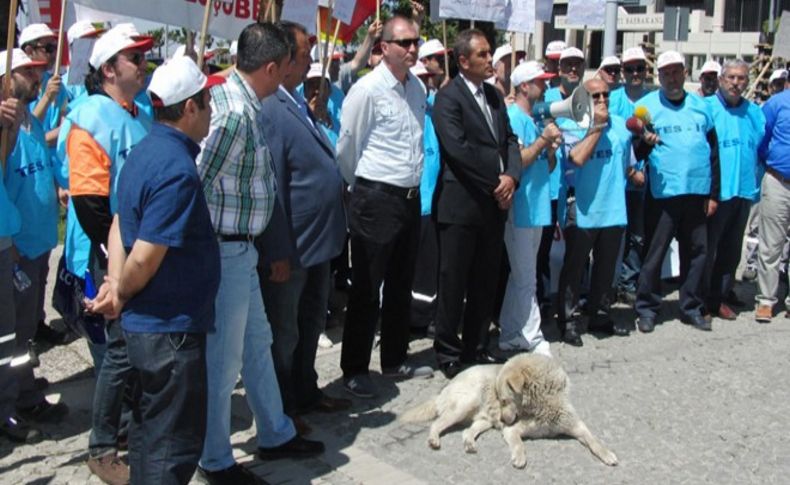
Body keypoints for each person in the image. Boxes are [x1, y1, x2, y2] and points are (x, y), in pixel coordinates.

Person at [196, 23, 323, 485]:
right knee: (224, 362)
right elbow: (198, 181)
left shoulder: (239, 103)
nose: (288, 75)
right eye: (286, 67)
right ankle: (215, 459)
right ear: (271, 68)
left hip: (241, 251)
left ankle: (274, 431)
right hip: (225, 250)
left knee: (256, 346)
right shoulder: (232, 115)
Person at [87, 56, 224, 485]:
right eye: (206, 101)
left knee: (150, 434)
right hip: (169, 329)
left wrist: (114, 283)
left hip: (153, 327)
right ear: (188, 108)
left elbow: (117, 225)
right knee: (173, 446)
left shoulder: (144, 150)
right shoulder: (176, 168)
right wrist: (122, 291)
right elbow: (145, 255)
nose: (211, 111)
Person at [61, 27, 154, 484]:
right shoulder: (89, 119)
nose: (142, 63)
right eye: (133, 57)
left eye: (142, 56)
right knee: (118, 351)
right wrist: (120, 259)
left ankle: (133, 431)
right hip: (113, 251)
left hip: (143, 247)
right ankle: (101, 447)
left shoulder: (140, 113)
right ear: (108, 69)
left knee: (136, 345)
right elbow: (89, 204)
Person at [257, 21, 350, 432]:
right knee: (285, 332)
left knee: (310, 322)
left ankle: (306, 389)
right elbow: (273, 181)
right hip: (291, 246)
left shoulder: (292, 100)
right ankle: (282, 407)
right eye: (304, 54)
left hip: (316, 244)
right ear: (285, 60)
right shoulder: (271, 107)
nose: (311, 60)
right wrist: (276, 249)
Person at [337, 15, 431, 398]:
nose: (412, 49)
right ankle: (355, 368)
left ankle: (393, 358)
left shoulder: (418, 88)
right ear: (384, 47)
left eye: (415, 42)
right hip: (376, 196)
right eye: (404, 43)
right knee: (366, 286)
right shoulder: (368, 89)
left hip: (409, 197)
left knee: (400, 284)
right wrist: (360, 187)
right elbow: (348, 147)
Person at [432, 29, 521, 378]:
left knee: (485, 278)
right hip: (462, 204)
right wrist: (494, 183)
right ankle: (447, 351)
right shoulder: (448, 98)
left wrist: (512, 176)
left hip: (493, 205)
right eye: (482, 54)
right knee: (454, 280)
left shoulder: (494, 96)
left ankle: (476, 344)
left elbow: (510, 140)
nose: (490, 60)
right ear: (463, 60)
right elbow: (459, 151)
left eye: (489, 53)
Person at [3, 48, 69, 423]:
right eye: (27, 70)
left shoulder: (31, 120)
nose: (37, 76)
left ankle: (22, 384)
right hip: (17, 247)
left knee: (25, 328)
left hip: (39, 243)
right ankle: (19, 399)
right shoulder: (7, 129)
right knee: (16, 332)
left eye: (37, 70)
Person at [633, 51, 720, 333]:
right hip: (663, 194)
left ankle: (691, 307)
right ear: (658, 76)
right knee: (654, 255)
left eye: (676, 71)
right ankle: (647, 308)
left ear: (685, 72)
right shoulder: (645, 107)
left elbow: (714, 152)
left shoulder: (702, 106)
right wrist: (645, 142)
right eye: (665, 73)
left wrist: (713, 194)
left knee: (696, 252)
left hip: (697, 192)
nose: (671, 77)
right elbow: (636, 152)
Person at [556, 78, 641, 346]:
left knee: (606, 269)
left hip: (613, 208)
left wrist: (637, 174)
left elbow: (628, 164)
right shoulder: (570, 126)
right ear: (584, 99)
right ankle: (567, 319)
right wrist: (596, 128)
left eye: (606, 95)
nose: (603, 101)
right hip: (582, 209)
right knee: (574, 267)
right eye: (596, 97)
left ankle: (600, 314)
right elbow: (577, 159)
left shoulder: (622, 129)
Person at [497, 61, 559, 356]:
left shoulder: (533, 119)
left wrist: (549, 149)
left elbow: (544, 164)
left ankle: (510, 332)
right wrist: (543, 142)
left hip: (535, 207)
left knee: (521, 275)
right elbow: (516, 162)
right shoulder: (512, 117)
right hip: (520, 209)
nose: (545, 85)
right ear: (524, 86)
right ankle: (533, 337)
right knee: (526, 276)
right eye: (540, 80)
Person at [0, 52, 42, 445]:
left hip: (10, 242)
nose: (35, 74)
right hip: (9, 246)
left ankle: (10, 404)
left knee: (10, 336)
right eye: (24, 69)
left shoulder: (17, 121)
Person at [703, 60, 765, 321]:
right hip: (716, 193)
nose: (736, 83)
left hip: (744, 190)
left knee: (731, 249)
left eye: (741, 78)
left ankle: (722, 294)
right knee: (707, 250)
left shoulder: (755, 112)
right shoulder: (707, 108)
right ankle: (703, 300)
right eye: (731, 78)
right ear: (721, 80)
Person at [537, 47, 586, 310]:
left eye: (578, 64)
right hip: (551, 188)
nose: (573, 69)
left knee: (578, 251)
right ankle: (543, 299)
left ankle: (573, 300)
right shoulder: (546, 99)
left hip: (579, 189)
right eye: (568, 64)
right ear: (559, 69)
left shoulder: (590, 98)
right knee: (543, 251)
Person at [610, 47, 654, 304]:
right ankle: (610, 282)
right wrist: (629, 170)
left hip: (644, 180)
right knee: (614, 236)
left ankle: (629, 281)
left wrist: (639, 172)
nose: (635, 73)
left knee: (638, 236)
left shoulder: (653, 99)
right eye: (629, 69)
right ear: (622, 72)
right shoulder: (613, 99)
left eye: (640, 68)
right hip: (617, 180)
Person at [754, 71, 790, 323]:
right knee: (771, 244)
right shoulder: (777, 104)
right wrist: (773, 164)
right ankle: (766, 300)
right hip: (778, 180)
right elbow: (761, 139)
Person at [409, 60, 441, 338]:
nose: (426, 83)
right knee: (406, 267)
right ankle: (404, 319)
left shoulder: (434, 117)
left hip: (432, 205)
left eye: (428, 78)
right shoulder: (405, 115)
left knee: (428, 268)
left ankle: (424, 316)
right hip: (407, 205)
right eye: (419, 77)